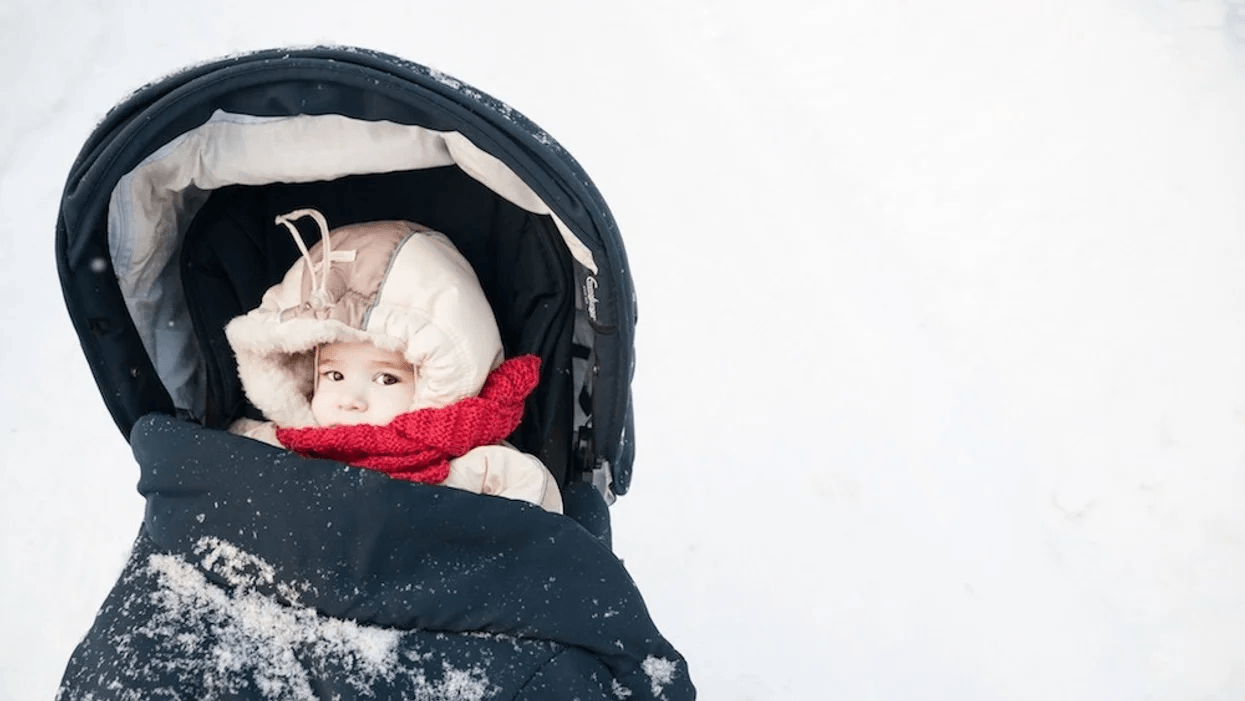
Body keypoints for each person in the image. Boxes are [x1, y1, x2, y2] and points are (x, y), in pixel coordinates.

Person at [224, 208, 563, 513]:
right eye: (334, 376)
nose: (351, 402)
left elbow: (532, 507)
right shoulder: (274, 447)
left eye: (386, 379)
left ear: (434, 386)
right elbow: (216, 474)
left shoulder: (475, 466)